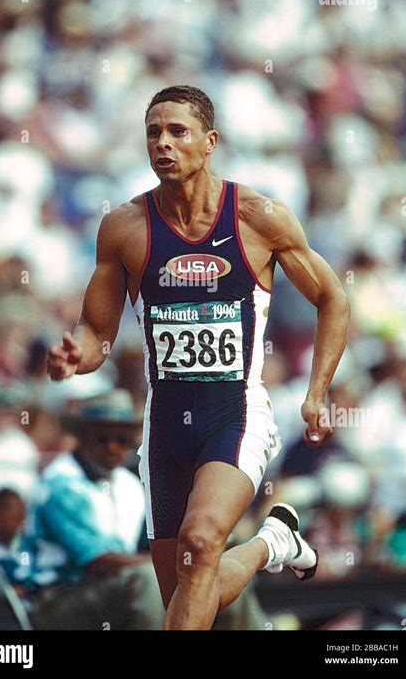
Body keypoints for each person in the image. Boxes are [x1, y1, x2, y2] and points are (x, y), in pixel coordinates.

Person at [47, 85, 350, 630]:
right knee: (190, 588)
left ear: (210, 142)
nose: (163, 143)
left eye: (177, 132)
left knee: (202, 539)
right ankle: (271, 543)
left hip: (234, 413)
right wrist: (76, 356)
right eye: (153, 133)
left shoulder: (259, 217)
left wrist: (315, 394)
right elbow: (97, 331)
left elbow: (333, 298)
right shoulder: (124, 228)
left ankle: (265, 542)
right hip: (163, 426)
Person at [14, 389, 165, 630]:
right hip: (55, 598)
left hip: (108, 589)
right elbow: (96, 562)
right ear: (82, 437)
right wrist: (168, 561)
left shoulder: (130, 484)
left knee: (212, 573)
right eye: (102, 438)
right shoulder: (61, 483)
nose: (112, 447)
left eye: (122, 440)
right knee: (149, 577)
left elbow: (151, 542)